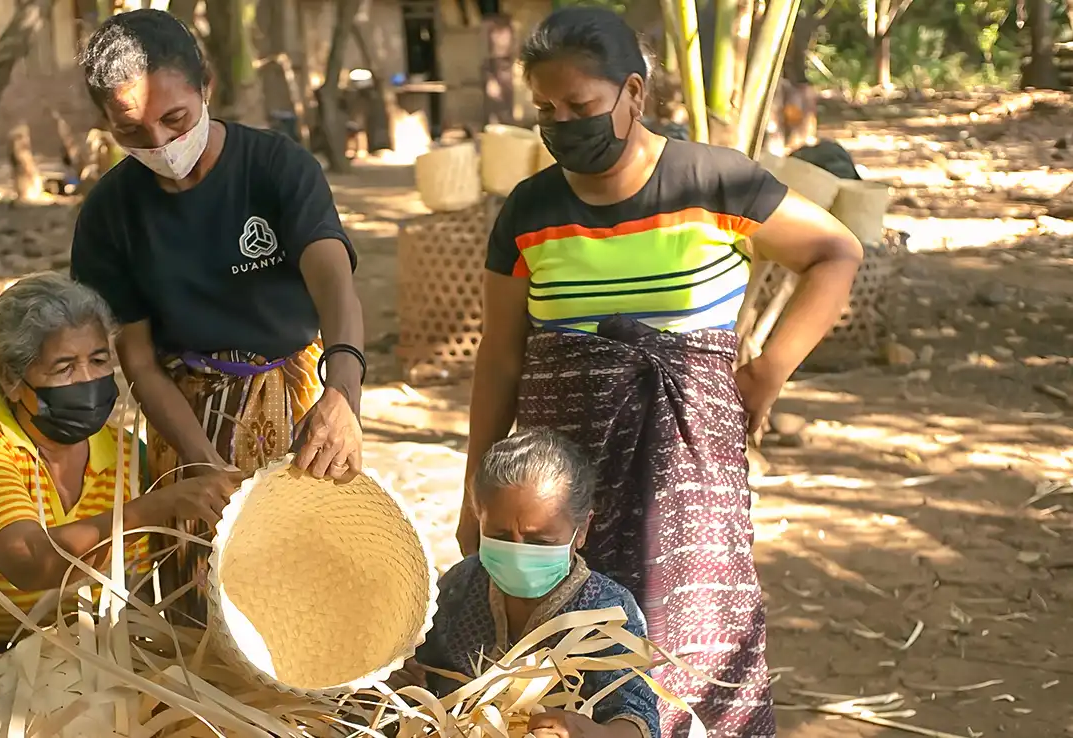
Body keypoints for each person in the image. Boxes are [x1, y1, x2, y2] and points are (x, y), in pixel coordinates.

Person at [458, 7, 863, 738]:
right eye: (546, 110)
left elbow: (836, 252)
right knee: (567, 656)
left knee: (694, 646)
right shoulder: (529, 210)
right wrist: (474, 497)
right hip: (561, 484)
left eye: (581, 106)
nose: (562, 123)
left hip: (687, 475)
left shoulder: (715, 183)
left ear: (635, 94)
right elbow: (503, 354)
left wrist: (770, 371)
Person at [70, 9, 367, 620]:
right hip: (185, 414)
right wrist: (201, 462)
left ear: (205, 85)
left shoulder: (278, 169)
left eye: (174, 118)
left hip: (300, 399)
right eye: (132, 132)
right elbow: (142, 365)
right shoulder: (109, 215)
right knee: (201, 593)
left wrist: (343, 396)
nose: (160, 144)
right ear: (106, 125)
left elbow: (335, 282)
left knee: (310, 586)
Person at [0, 273, 239, 738]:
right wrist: (152, 509)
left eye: (99, 360)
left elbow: (133, 598)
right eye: (64, 368)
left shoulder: (123, 456)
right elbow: (30, 562)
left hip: (84, 681)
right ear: (12, 381)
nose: (90, 380)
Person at [413, 430, 659, 738]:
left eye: (540, 541)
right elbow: (426, 668)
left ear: (581, 531)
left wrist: (590, 733)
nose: (518, 553)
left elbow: (637, 720)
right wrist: (409, 679)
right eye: (500, 537)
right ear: (478, 518)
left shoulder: (608, 611)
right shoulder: (460, 585)